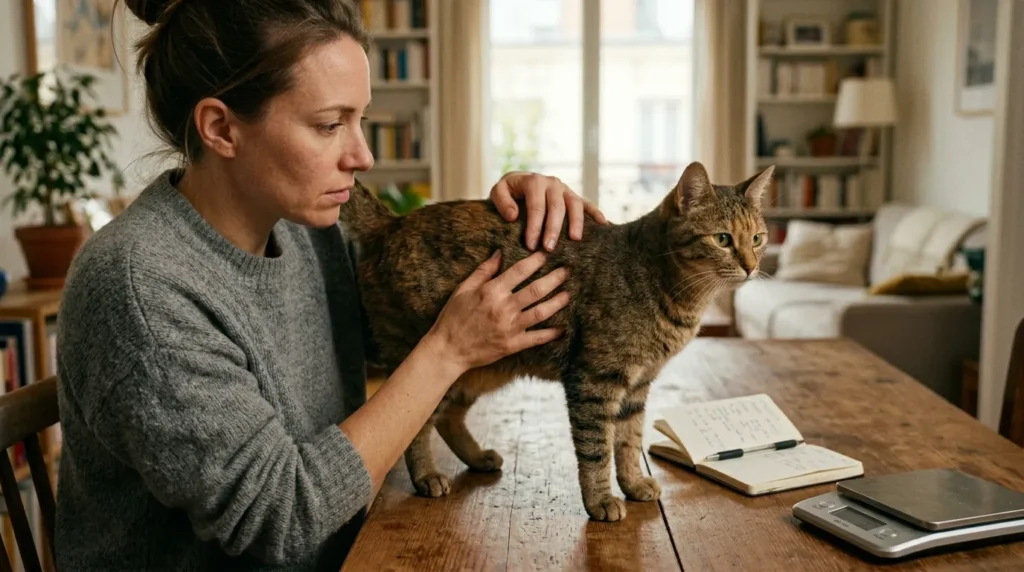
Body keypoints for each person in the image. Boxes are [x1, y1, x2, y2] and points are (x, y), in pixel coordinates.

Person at [53, 0, 608, 570]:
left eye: (361, 119)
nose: (363, 156)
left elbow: (382, 337)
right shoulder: (140, 286)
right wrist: (449, 349)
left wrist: (502, 224)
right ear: (221, 127)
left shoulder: (302, 230)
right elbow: (283, 520)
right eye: (329, 125)